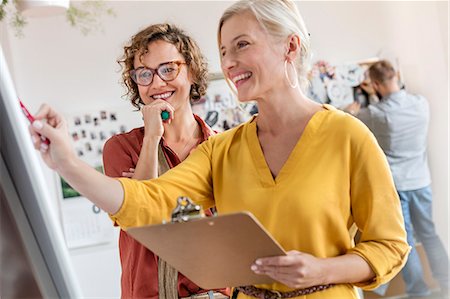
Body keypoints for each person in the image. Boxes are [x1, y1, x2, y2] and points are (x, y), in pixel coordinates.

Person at [29, 0, 410, 298]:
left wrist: (323, 270)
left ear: (289, 46)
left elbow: (390, 245)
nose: (228, 63)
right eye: (224, 51)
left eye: (242, 45)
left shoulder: (348, 136)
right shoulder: (223, 150)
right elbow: (146, 201)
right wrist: (66, 162)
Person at [103, 23, 230, 299]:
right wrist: (151, 138)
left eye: (168, 69)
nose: (157, 83)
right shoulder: (121, 149)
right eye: (144, 74)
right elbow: (139, 216)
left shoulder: (223, 148)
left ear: (192, 71)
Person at [346, 60, 449, 299]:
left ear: (376, 84)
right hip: (421, 180)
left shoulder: (376, 114)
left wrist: (358, 102)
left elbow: (347, 119)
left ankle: (419, 292)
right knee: (430, 234)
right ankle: (446, 283)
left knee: (406, 241)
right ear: (397, 76)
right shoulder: (420, 104)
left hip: (398, 186)